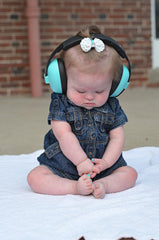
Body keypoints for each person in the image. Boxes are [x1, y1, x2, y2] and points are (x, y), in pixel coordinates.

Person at [27, 25, 137, 199]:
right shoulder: (60, 103)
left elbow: (117, 136)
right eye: (80, 91)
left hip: (102, 164)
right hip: (64, 163)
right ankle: (73, 187)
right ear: (61, 80)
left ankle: (104, 184)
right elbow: (64, 135)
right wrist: (80, 161)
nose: (90, 97)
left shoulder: (112, 106)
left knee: (130, 174)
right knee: (35, 178)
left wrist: (107, 162)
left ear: (115, 86)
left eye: (100, 91)